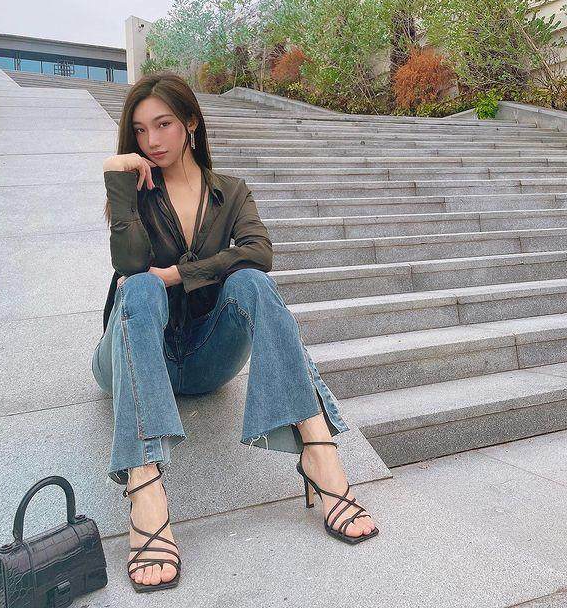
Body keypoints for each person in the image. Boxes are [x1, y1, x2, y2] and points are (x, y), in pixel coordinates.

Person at [91, 71, 379, 593]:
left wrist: (181, 274)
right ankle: (144, 486)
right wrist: (117, 178)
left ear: (191, 124)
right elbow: (130, 265)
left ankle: (317, 449)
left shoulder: (232, 192)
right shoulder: (135, 190)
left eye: (163, 124)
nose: (151, 141)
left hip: (206, 359)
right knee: (141, 288)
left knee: (252, 282)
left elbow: (258, 253)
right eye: (140, 130)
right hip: (132, 355)